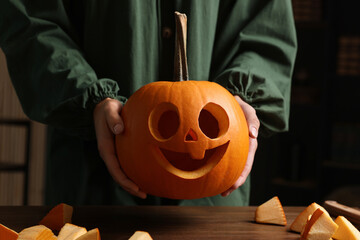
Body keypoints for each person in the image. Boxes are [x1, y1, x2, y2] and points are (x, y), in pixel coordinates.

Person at [0, 0, 297, 206]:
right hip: (94, 187)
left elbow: (265, 27)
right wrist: (87, 95)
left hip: (211, 204)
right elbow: (31, 18)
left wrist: (242, 98)